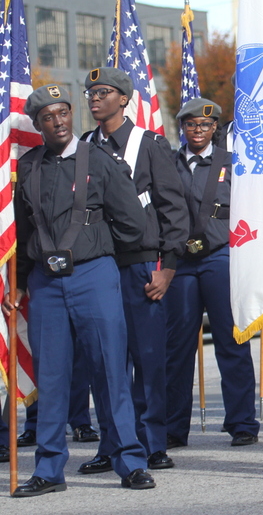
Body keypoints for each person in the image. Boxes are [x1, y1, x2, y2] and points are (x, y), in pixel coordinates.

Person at [6, 84, 154, 496]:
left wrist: (98, 249)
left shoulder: (101, 161)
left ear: (72, 115)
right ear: (37, 124)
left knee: (110, 371)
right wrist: (18, 283)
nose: (58, 121)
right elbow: (21, 228)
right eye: (48, 117)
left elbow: (133, 224)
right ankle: (50, 469)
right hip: (46, 284)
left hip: (94, 276)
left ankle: (130, 461)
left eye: (63, 113)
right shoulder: (30, 166)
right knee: (52, 377)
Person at [78, 67, 189, 474]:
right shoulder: (84, 145)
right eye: (90, 92)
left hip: (142, 264)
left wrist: (168, 267)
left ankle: (153, 443)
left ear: (124, 99)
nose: (94, 98)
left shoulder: (149, 144)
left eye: (103, 92)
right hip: (97, 265)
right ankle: (113, 443)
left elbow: (173, 208)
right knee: (105, 361)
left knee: (147, 358)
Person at [164, 97, 261, 450]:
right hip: (181, 263)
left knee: (231, 342)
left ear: (215, 129)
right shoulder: (169, 163)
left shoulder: (232, 164)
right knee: (177, 347)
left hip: (221, 257)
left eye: (205, 125)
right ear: (182, 128)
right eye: (191, 125)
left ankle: (242, 422)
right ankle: (174, 426)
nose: (198, 131)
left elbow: (251, 210)